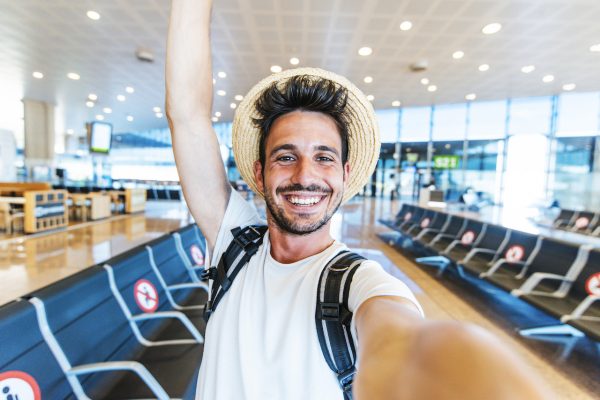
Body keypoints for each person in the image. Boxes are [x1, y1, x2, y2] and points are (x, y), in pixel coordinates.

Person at [165, 1, 552, 399]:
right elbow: (187, 114)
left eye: (324, 157)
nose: (305, 176)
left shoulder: (358, 284)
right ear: (260, 173)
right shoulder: (234, 244)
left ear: (344, 175)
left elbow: (403, 343)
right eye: (285, 156)